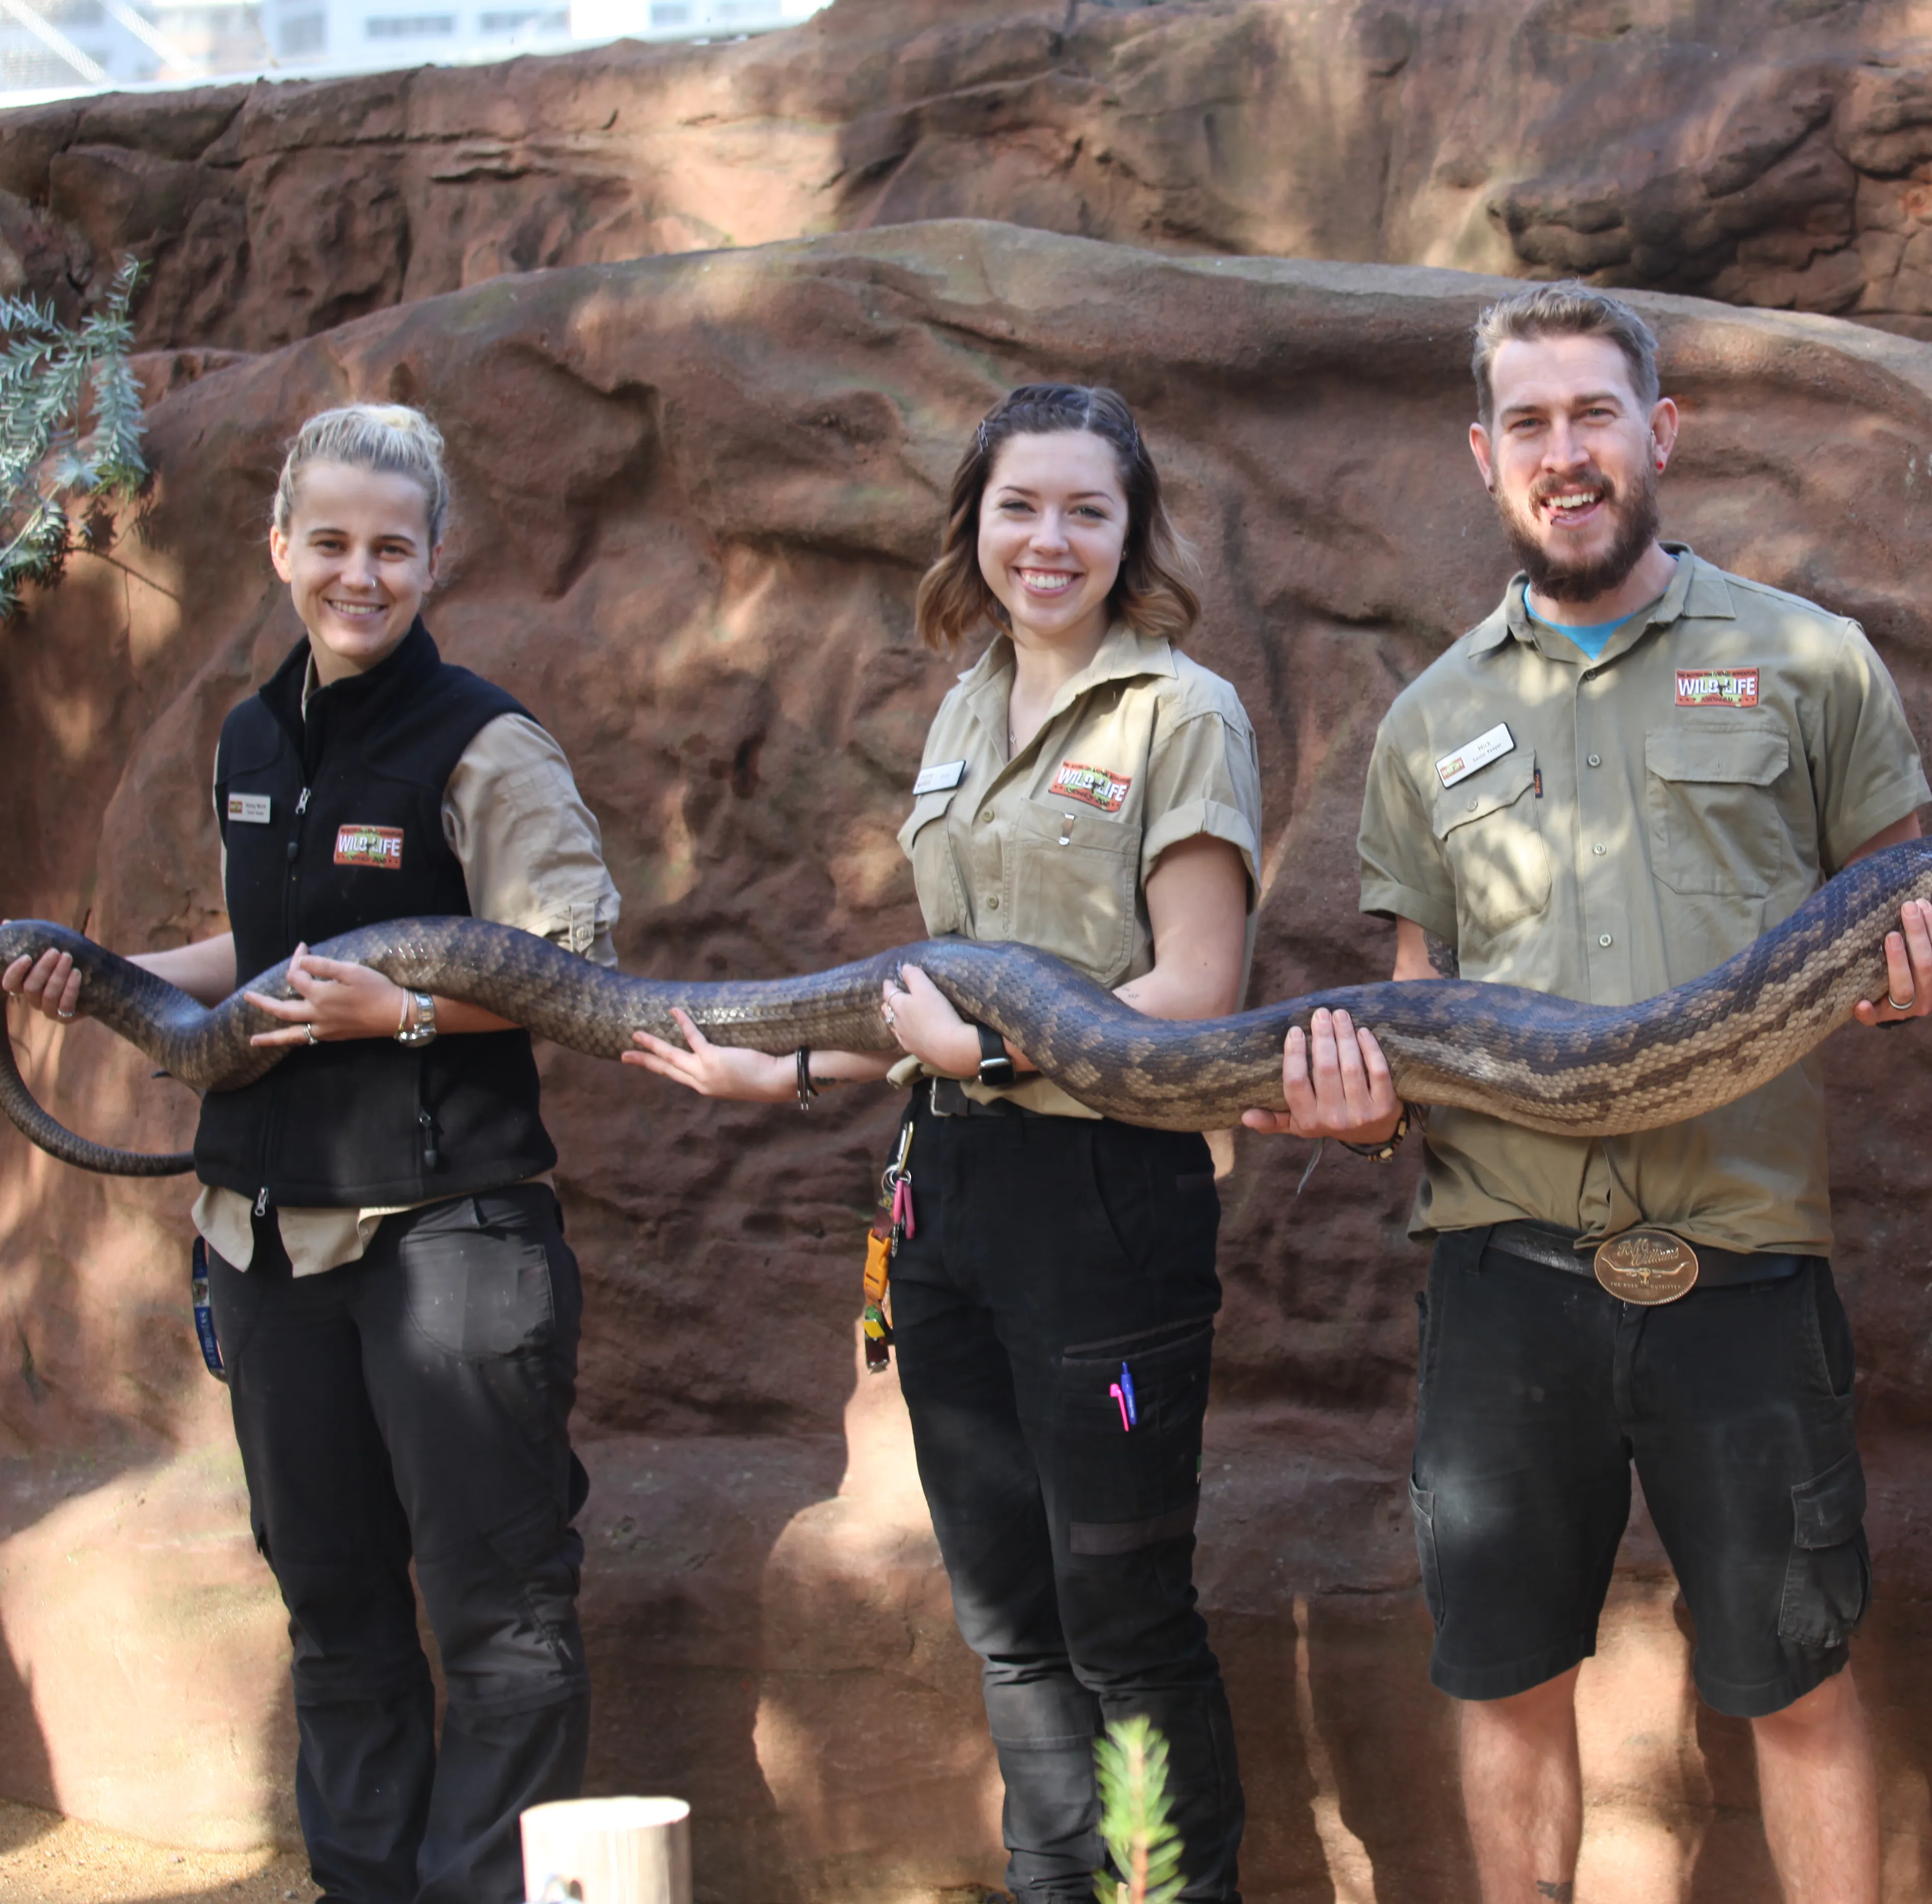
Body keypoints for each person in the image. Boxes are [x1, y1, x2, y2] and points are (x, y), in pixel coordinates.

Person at [1248, 282, 1932, 1904]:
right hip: (1507, 1270)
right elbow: (1418, 994)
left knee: (1793, 1679)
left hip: (1744, 1261)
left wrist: (1924, 972)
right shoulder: (1431, 719)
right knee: (1508, 1679)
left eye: (1594, 415)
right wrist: (1361, 1097)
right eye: (1528, 423)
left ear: (1661, 432)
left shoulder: (1808, 661)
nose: (1563, 453)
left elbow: (1910, 911)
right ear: (1482, 455)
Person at [621, 383, 1258, 1903]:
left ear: (1131, 531)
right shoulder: (968, 703)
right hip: (951, 1197)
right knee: (1011, 1623)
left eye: (1086, 511)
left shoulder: (1183, 710)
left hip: (1106, 1196)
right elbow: (935, 986)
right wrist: (801, 1075)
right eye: (1021, 506)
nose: (1051, 540)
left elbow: (1196, 989)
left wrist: (991, 1052)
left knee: (1124, 1625)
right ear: (975, 522)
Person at [2, 403, 623, 1904]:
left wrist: (404, 1009)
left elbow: (580, 963)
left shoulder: (487, 741)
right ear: (283, 548)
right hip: (267, 1242)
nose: (360, 572)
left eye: (391, 547)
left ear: (432, 559)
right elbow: (269, 951)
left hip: (448, 1243)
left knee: (502, 1621)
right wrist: (101, 969)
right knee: (334, 1611)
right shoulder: (252, 732)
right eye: (330, 542)